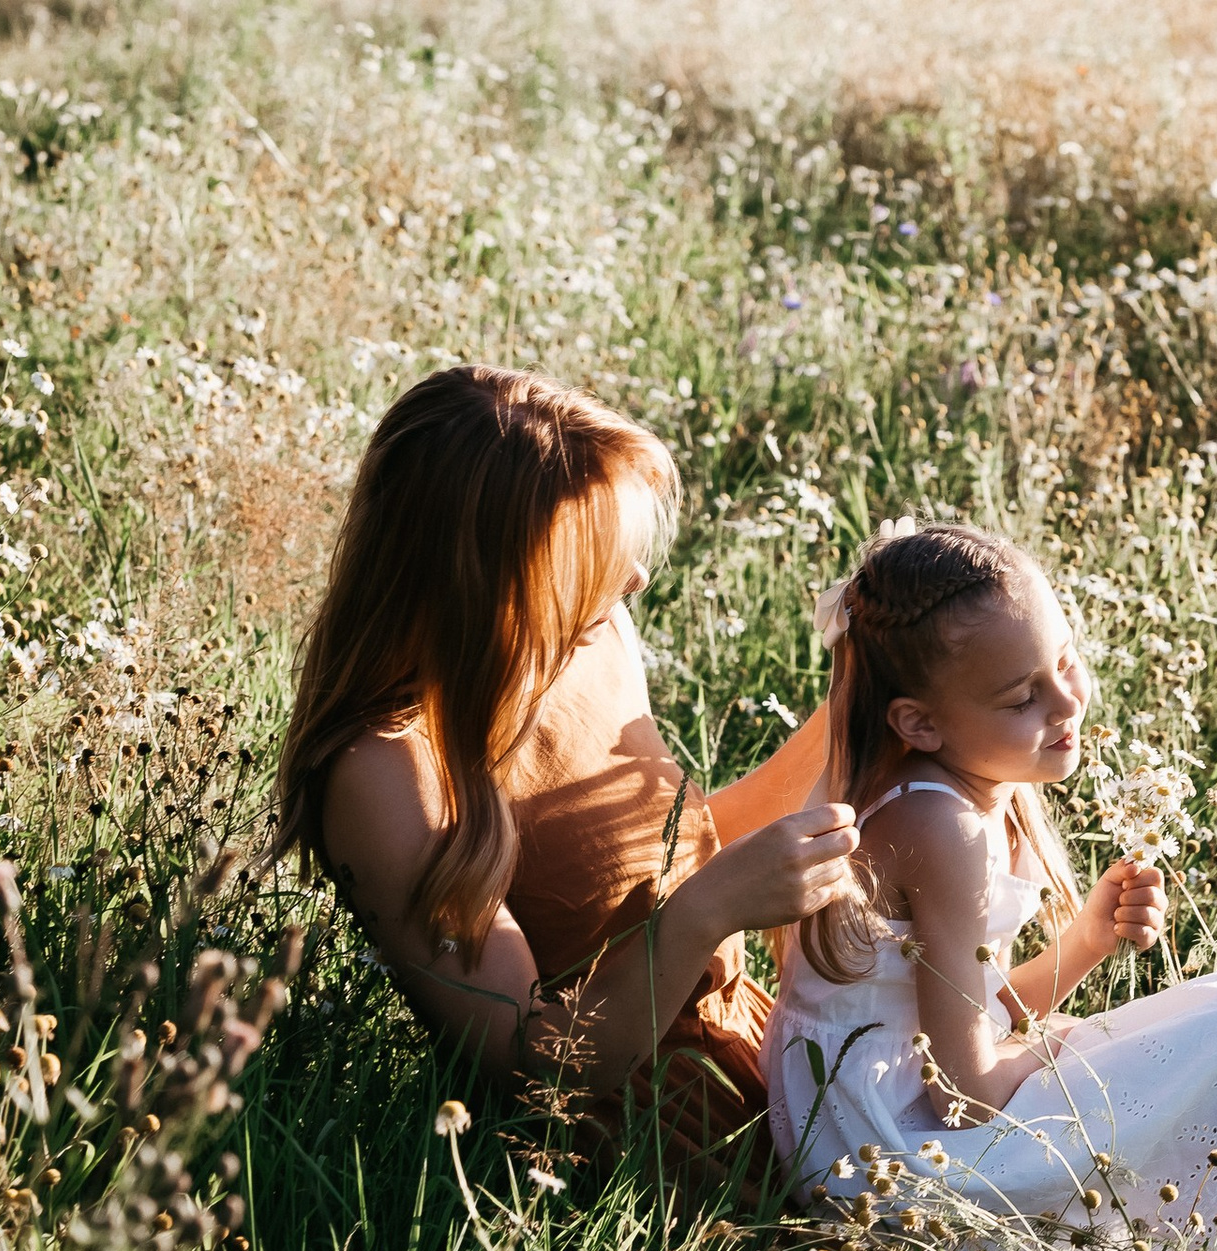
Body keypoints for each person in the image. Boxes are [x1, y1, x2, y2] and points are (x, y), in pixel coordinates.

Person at [271, 366, 858, 1176]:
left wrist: (851, 708)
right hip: (646, 1139)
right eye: (589, 556)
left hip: (757, 1047)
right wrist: (709, 912)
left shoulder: (591, 634)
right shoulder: (386, 768)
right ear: (489, 571)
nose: (634, 582)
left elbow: (657, 861)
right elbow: (529, 1065)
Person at [768, 520, 1217, 1251]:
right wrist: (1064, 1048)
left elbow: (971, 1023)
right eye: (1025, 697)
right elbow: (966, 1099)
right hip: (885, 1167)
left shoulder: (967, 788)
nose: (1067, 703)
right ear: (920, 722)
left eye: (1065, 664)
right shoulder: (942, 826)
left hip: (892, 1112)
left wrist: (1086, 939)